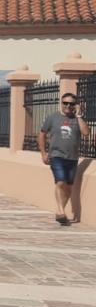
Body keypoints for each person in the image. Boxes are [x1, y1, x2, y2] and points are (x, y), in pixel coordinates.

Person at [38, 93, 90, 226]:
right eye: (65, 103)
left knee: (68, 187)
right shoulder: (53, 117)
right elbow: (42, 134)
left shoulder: (78, 119)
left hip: (72, 158)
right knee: (60, 182)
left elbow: (85, 133)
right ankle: (61, 211)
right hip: (56, 156)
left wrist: (79, 116)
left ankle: (60, 212)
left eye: (71, 104)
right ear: (61, 103)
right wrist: (43, 153)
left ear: (75, 105)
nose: (68, 106)